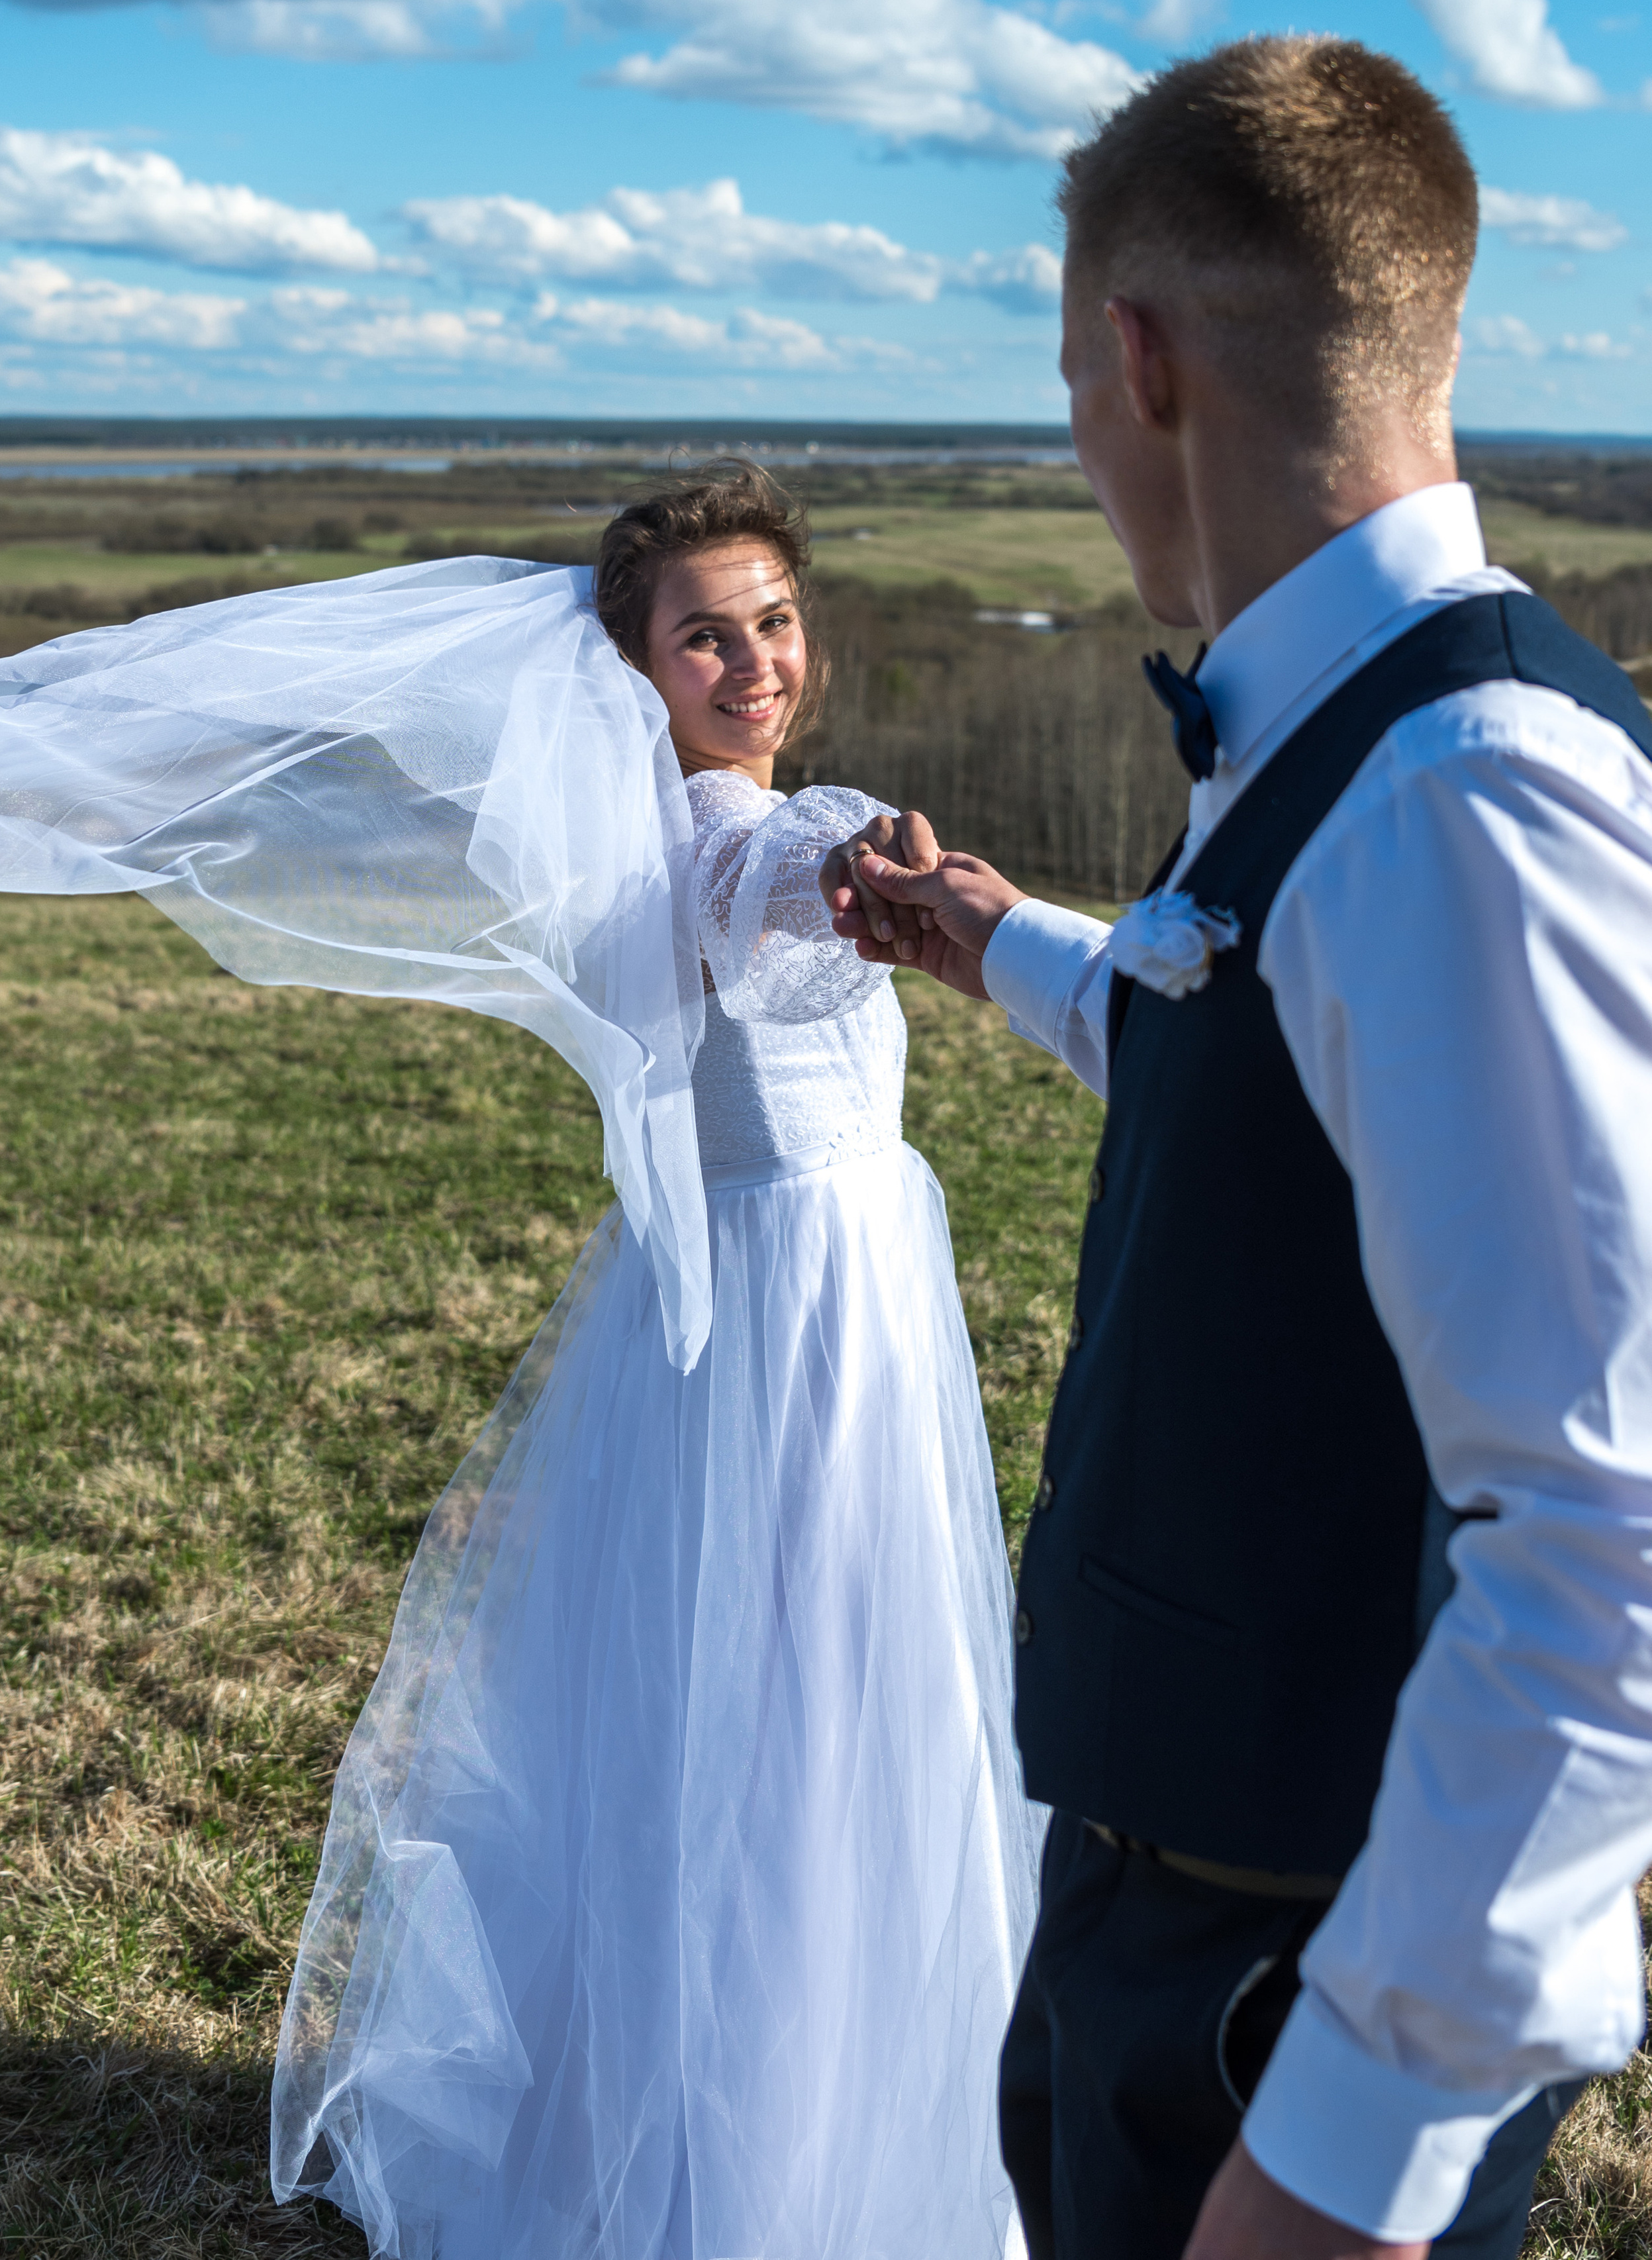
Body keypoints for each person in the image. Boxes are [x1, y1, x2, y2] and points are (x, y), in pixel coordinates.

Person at [0, 464, 1041, 2259]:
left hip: (790, 1296)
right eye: (705, 635)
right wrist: (855, 869)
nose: (753, 659)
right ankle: (788, 2152)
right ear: (640, 670)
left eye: (773, 619)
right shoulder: (730, 842)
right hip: (795, 1321)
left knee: (776, 1690)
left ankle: (765, 2096)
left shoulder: (686, 832)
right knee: (815, 1697)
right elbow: (783, 875)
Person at [826, 34, 1652, 2260]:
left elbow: (1608, 1539)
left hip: (1283, 1999)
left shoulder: (1469, 797)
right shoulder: (1347, 747)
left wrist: (1343, 2160)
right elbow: (1280, 1067)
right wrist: (996, 940)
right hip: (1177, 1921)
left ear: (1136, 355)